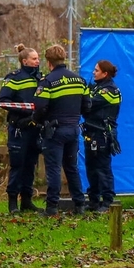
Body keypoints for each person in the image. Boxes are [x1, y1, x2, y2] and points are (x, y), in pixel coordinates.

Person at [32, 44, 87, 216]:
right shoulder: (79, 80)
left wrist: (37, 121)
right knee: (72, 167)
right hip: (73, 129)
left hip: (55, 131)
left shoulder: (47, 82)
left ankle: (52, 208)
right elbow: (87, 105)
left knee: (54, 169)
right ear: (64, 59)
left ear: (49, 62)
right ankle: (80, 205)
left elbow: (39, 108)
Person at [0, 44, 43, 213]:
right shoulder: (14, 78)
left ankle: (27, 201)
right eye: (34, 58)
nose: (38, 61)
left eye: (38, 58)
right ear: (25, 61)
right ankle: (12, 203)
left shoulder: (40, 78)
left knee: (31, 165)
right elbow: (2, 101)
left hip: (35, 128)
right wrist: (25, 111)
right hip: (19, 128)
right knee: (18, 165)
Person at [82, 59, 122, 213]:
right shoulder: (97, 87)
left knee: (103, 168)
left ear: (105, 73)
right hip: (91, 132)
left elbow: (88, 105)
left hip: (102, 133)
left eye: (96, 70)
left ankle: (107, 201)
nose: (93, 72)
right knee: (91, 168)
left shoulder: (110, 90)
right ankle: (93, 200)